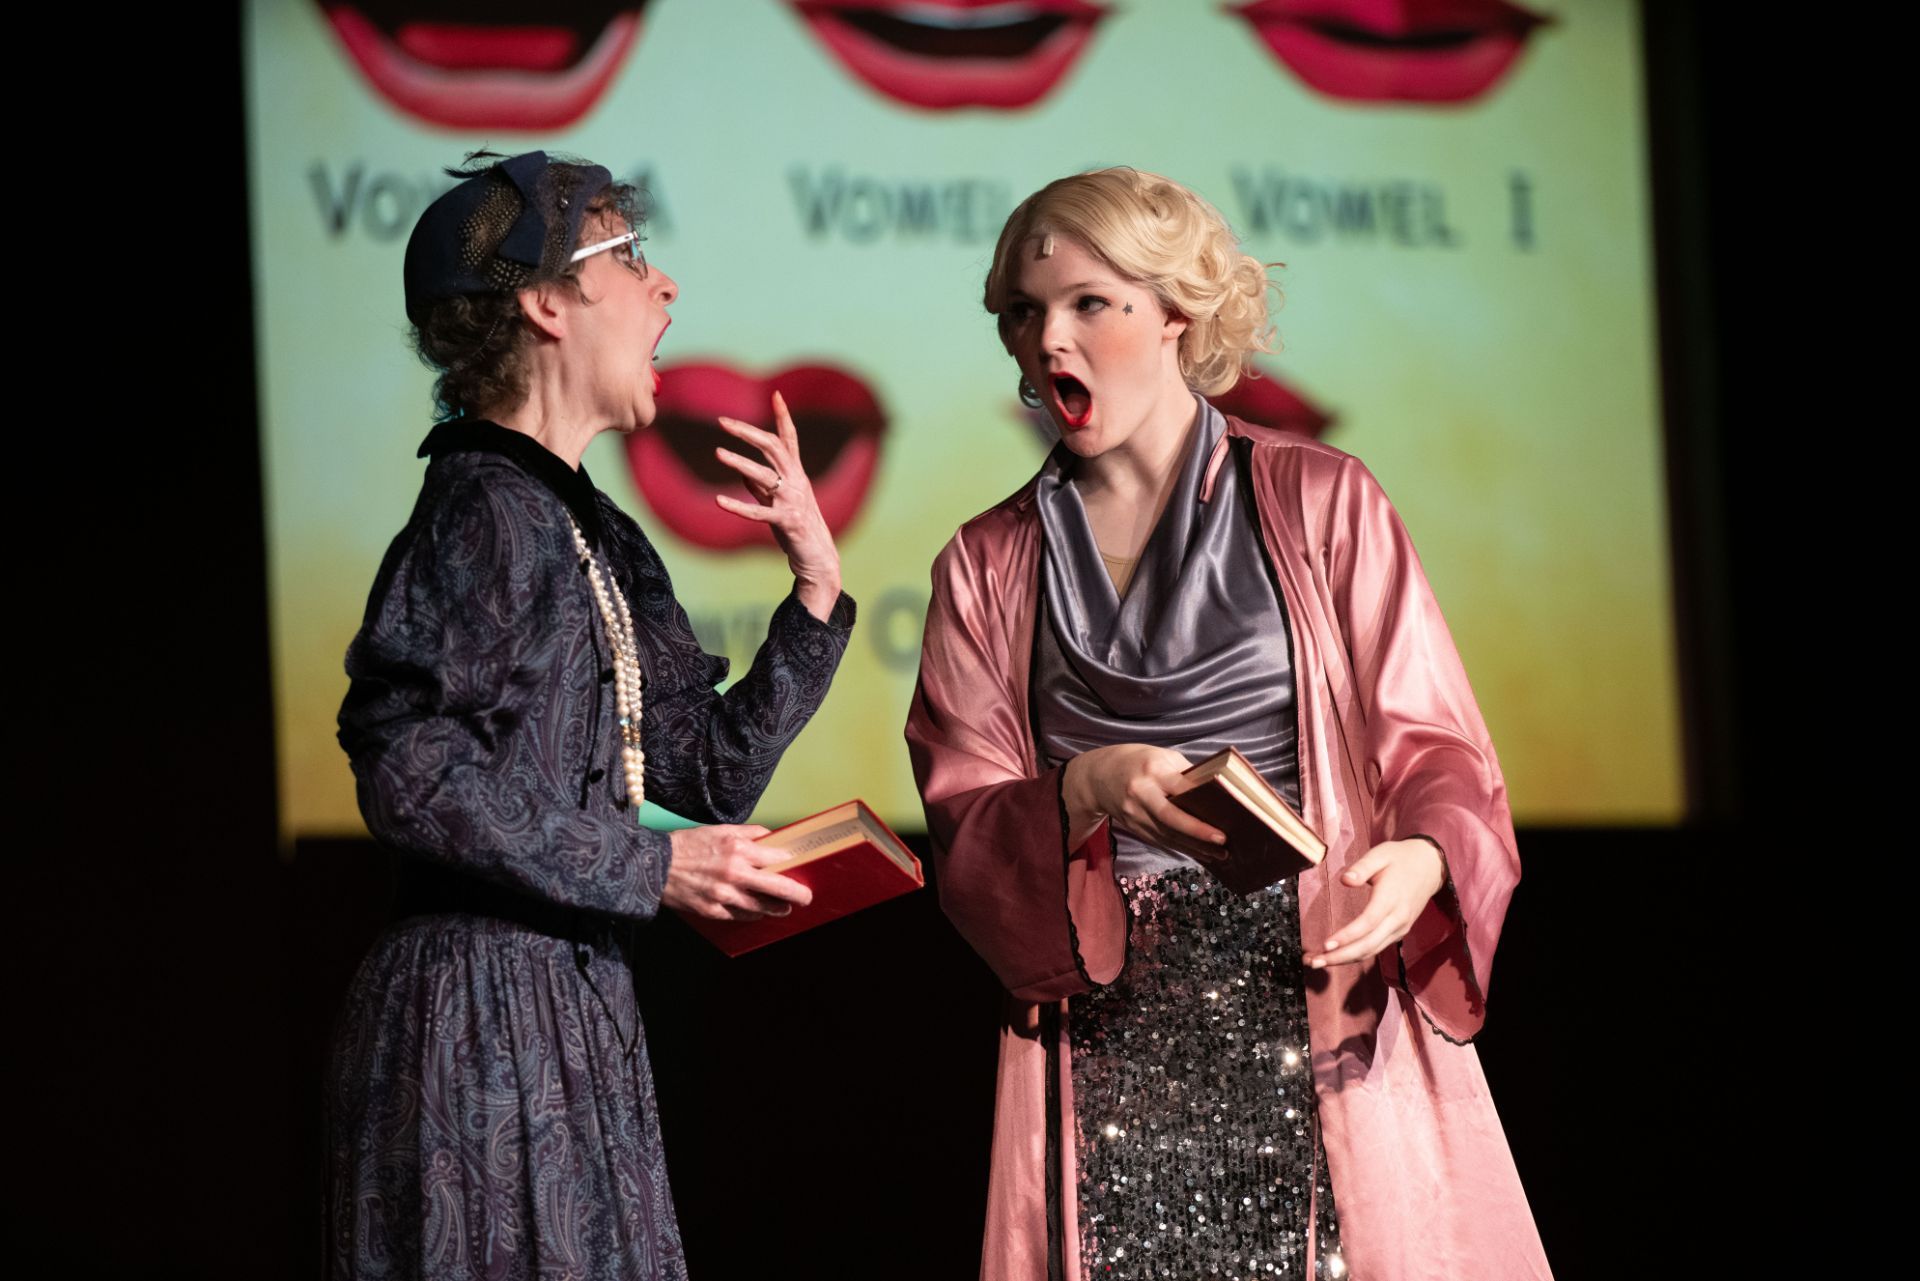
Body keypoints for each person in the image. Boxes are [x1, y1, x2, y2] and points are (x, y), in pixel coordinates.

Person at [906, 168, 1551, 1281]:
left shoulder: (1321, 497)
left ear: (1174, 312)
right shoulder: (986, 561)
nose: (1046, 337)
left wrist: (1427, 854)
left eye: (1088, 303)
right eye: (1022, 310)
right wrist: (1081, 790)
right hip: (1110, 1024)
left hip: (1313, 986)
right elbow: (965, 818)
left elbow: (1438, 743)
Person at [328, 150, 856, 1280]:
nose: (666, 287)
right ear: (545, 302)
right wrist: (649, 867)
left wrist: (815, 591)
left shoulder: (596, 528)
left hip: (572, 1003)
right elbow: (406, 772)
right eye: (632, 257)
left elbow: (704, 779)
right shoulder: (483, 510)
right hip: (476, 1014)